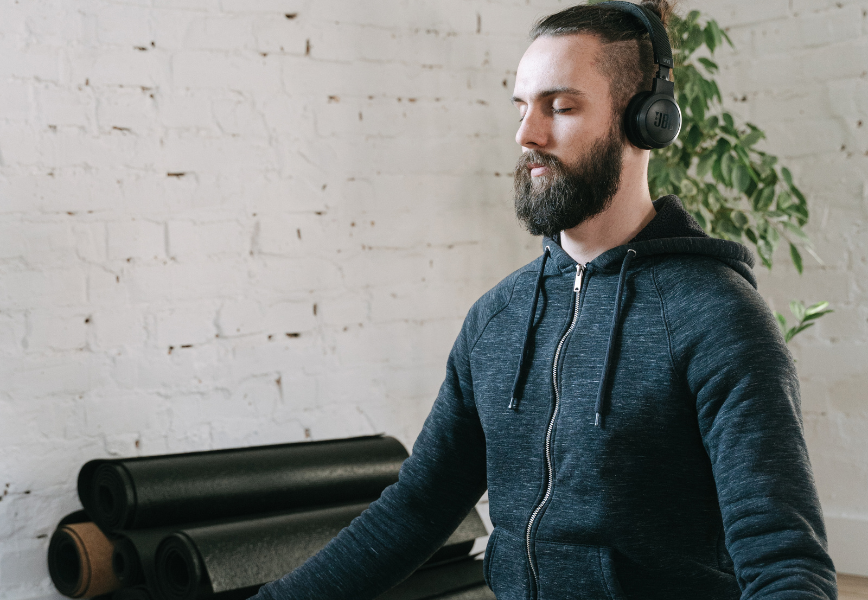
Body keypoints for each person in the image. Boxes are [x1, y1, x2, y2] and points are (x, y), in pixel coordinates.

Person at [252, 1, 837, 598]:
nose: (526, 134)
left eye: (560, 107)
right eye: (522, 107)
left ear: (645, 122)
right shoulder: (496, 319)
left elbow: (784, 562)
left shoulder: (715, 317)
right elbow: (415, 510)